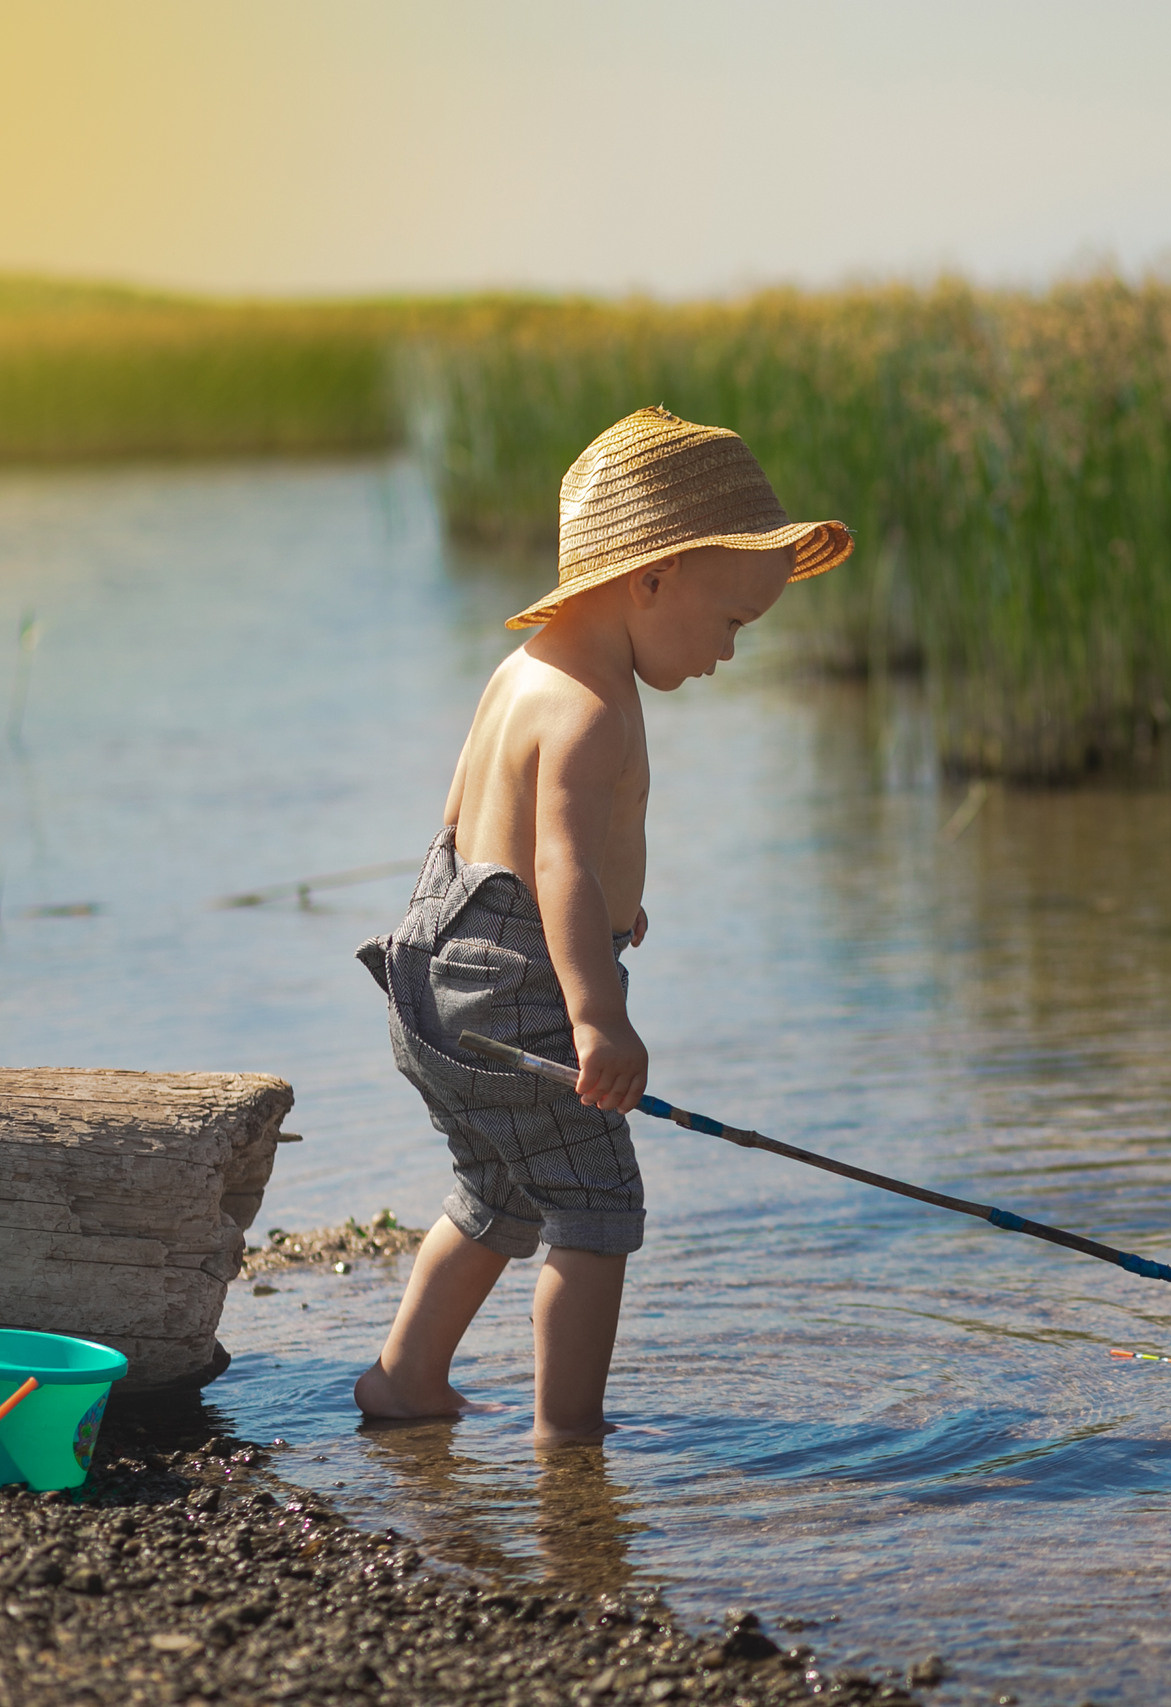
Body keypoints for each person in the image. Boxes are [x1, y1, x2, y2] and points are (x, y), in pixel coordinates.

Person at [352, 406, 850, 1443]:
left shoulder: (524, 674)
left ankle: (407, 1381)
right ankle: (568, 1433)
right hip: (520, 990)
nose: (730, 652)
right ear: (653, 578)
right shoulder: (592, 707)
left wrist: (618, 906)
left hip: (435, 969)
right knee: (597, 1203)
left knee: (495, 1188)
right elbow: (560, 865)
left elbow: (473, 830)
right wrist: (595, 1016)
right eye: (732, 622)